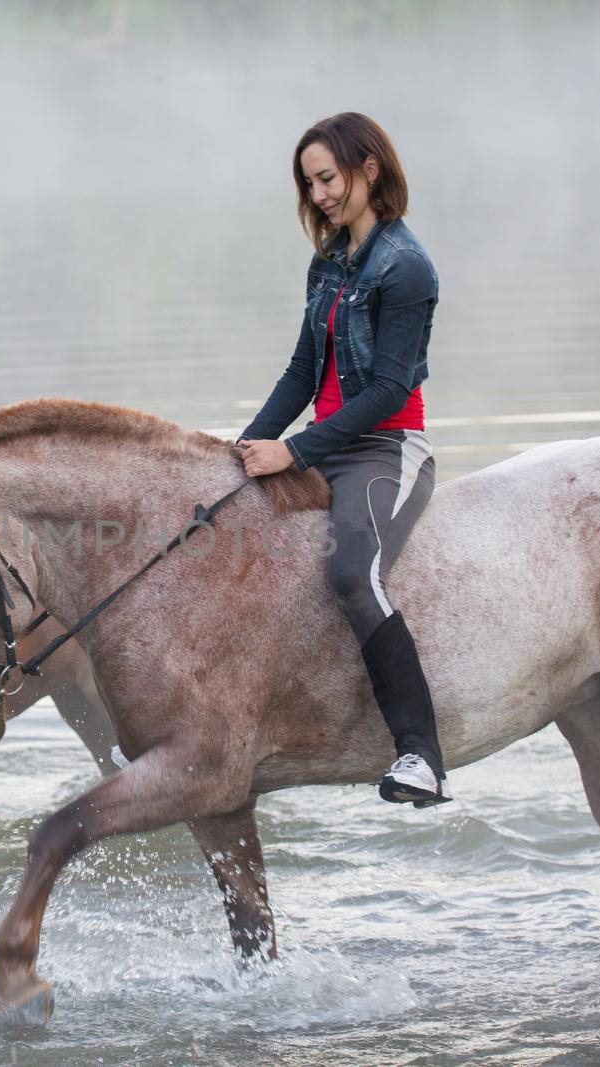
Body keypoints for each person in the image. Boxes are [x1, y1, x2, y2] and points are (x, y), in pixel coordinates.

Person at [234, 113, 450, 807]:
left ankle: (421, 754)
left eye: (328, 177)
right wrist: (240, 449)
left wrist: (293, 450)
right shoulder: (328, 262)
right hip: (326, 443)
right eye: (309, 183)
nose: (320, 194)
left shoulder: (406, 266)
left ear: (370, 169)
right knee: (224, 527)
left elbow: (390, 388)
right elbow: (302, 371)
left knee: (354, 572)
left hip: (385, 447)